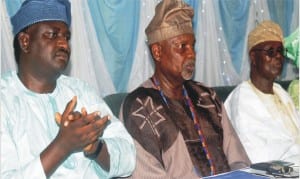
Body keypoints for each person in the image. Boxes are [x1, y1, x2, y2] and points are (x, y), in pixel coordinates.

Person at [1, 0, 135, 178]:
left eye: (66, 37)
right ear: (25, 42)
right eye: (52, 35)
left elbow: (129, 159)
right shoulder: (5, 100)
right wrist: (62, 146)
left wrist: (94, 147)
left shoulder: (79, 91)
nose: (64, 44)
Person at [120, 0, 250, 178]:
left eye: (193, 46)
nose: (191, 54)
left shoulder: (207, 96)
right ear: (157, 52)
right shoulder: (139, 106)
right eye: (182, 47)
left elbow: (238, 159)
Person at [224, 20, 300, 165]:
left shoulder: (280, 92)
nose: (277, 56)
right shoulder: (242, 98)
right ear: (253, 57)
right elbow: (258, 152)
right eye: (270, 51)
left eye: (280, 51)